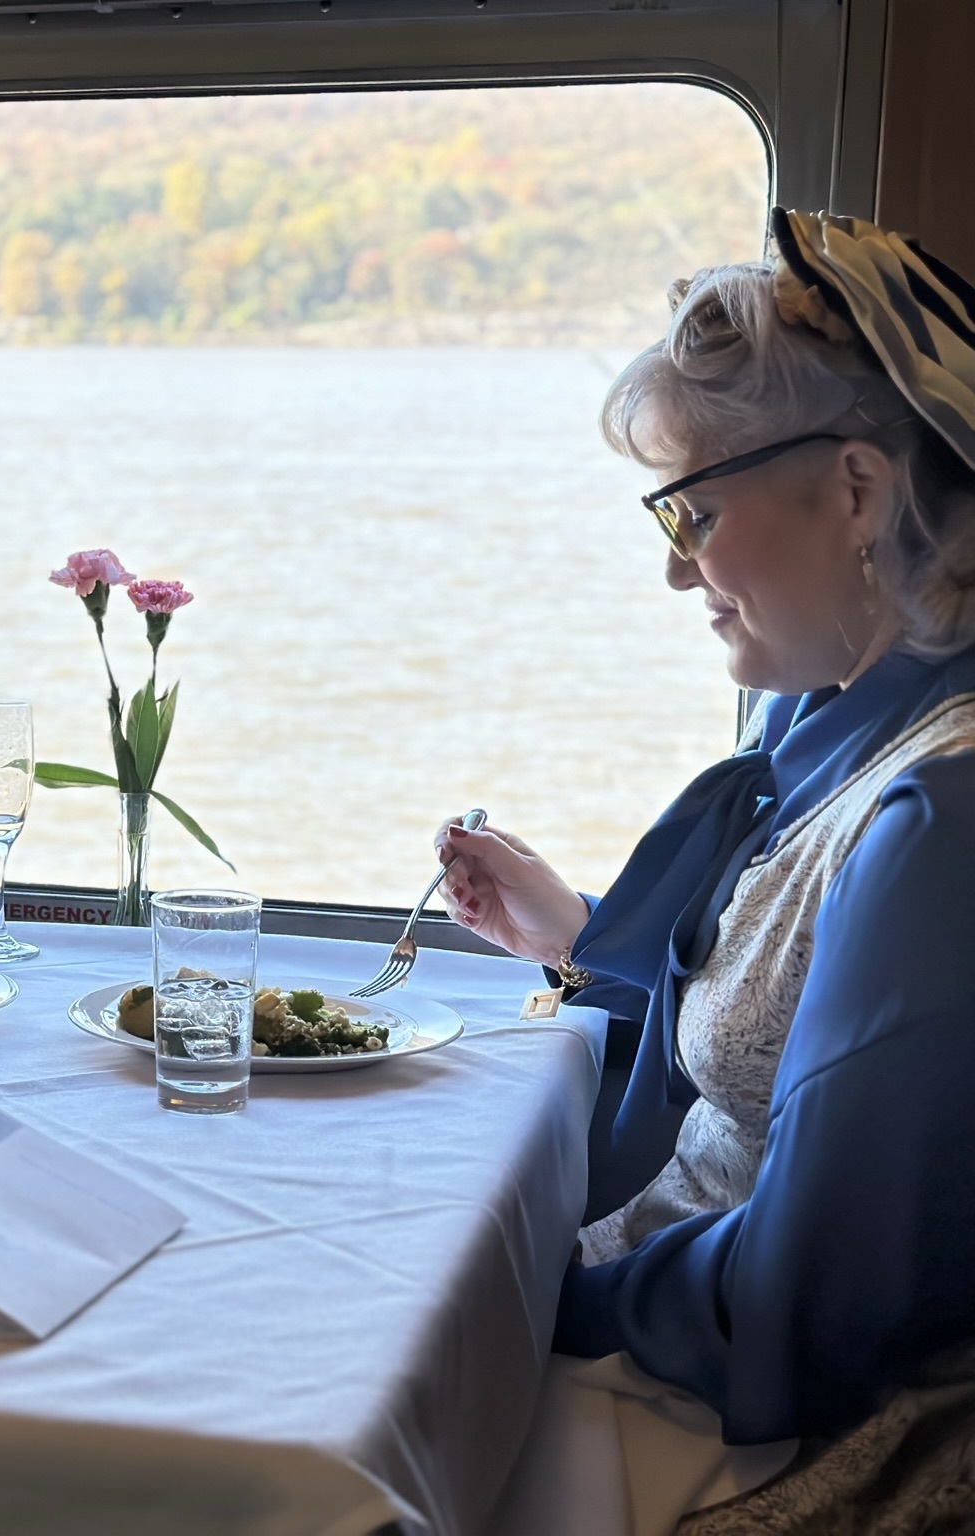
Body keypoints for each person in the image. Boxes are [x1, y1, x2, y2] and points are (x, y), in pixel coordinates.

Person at [451, 211, 975, 1532]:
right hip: (676, 1322)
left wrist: (515, 1295)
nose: (680, 568)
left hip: (775, 1418)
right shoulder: (839, 711)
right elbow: (777, 1016)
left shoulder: (938, 818)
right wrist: (578, 940)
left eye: (693, 509)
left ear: (857, 490)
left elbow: (809, 1298)